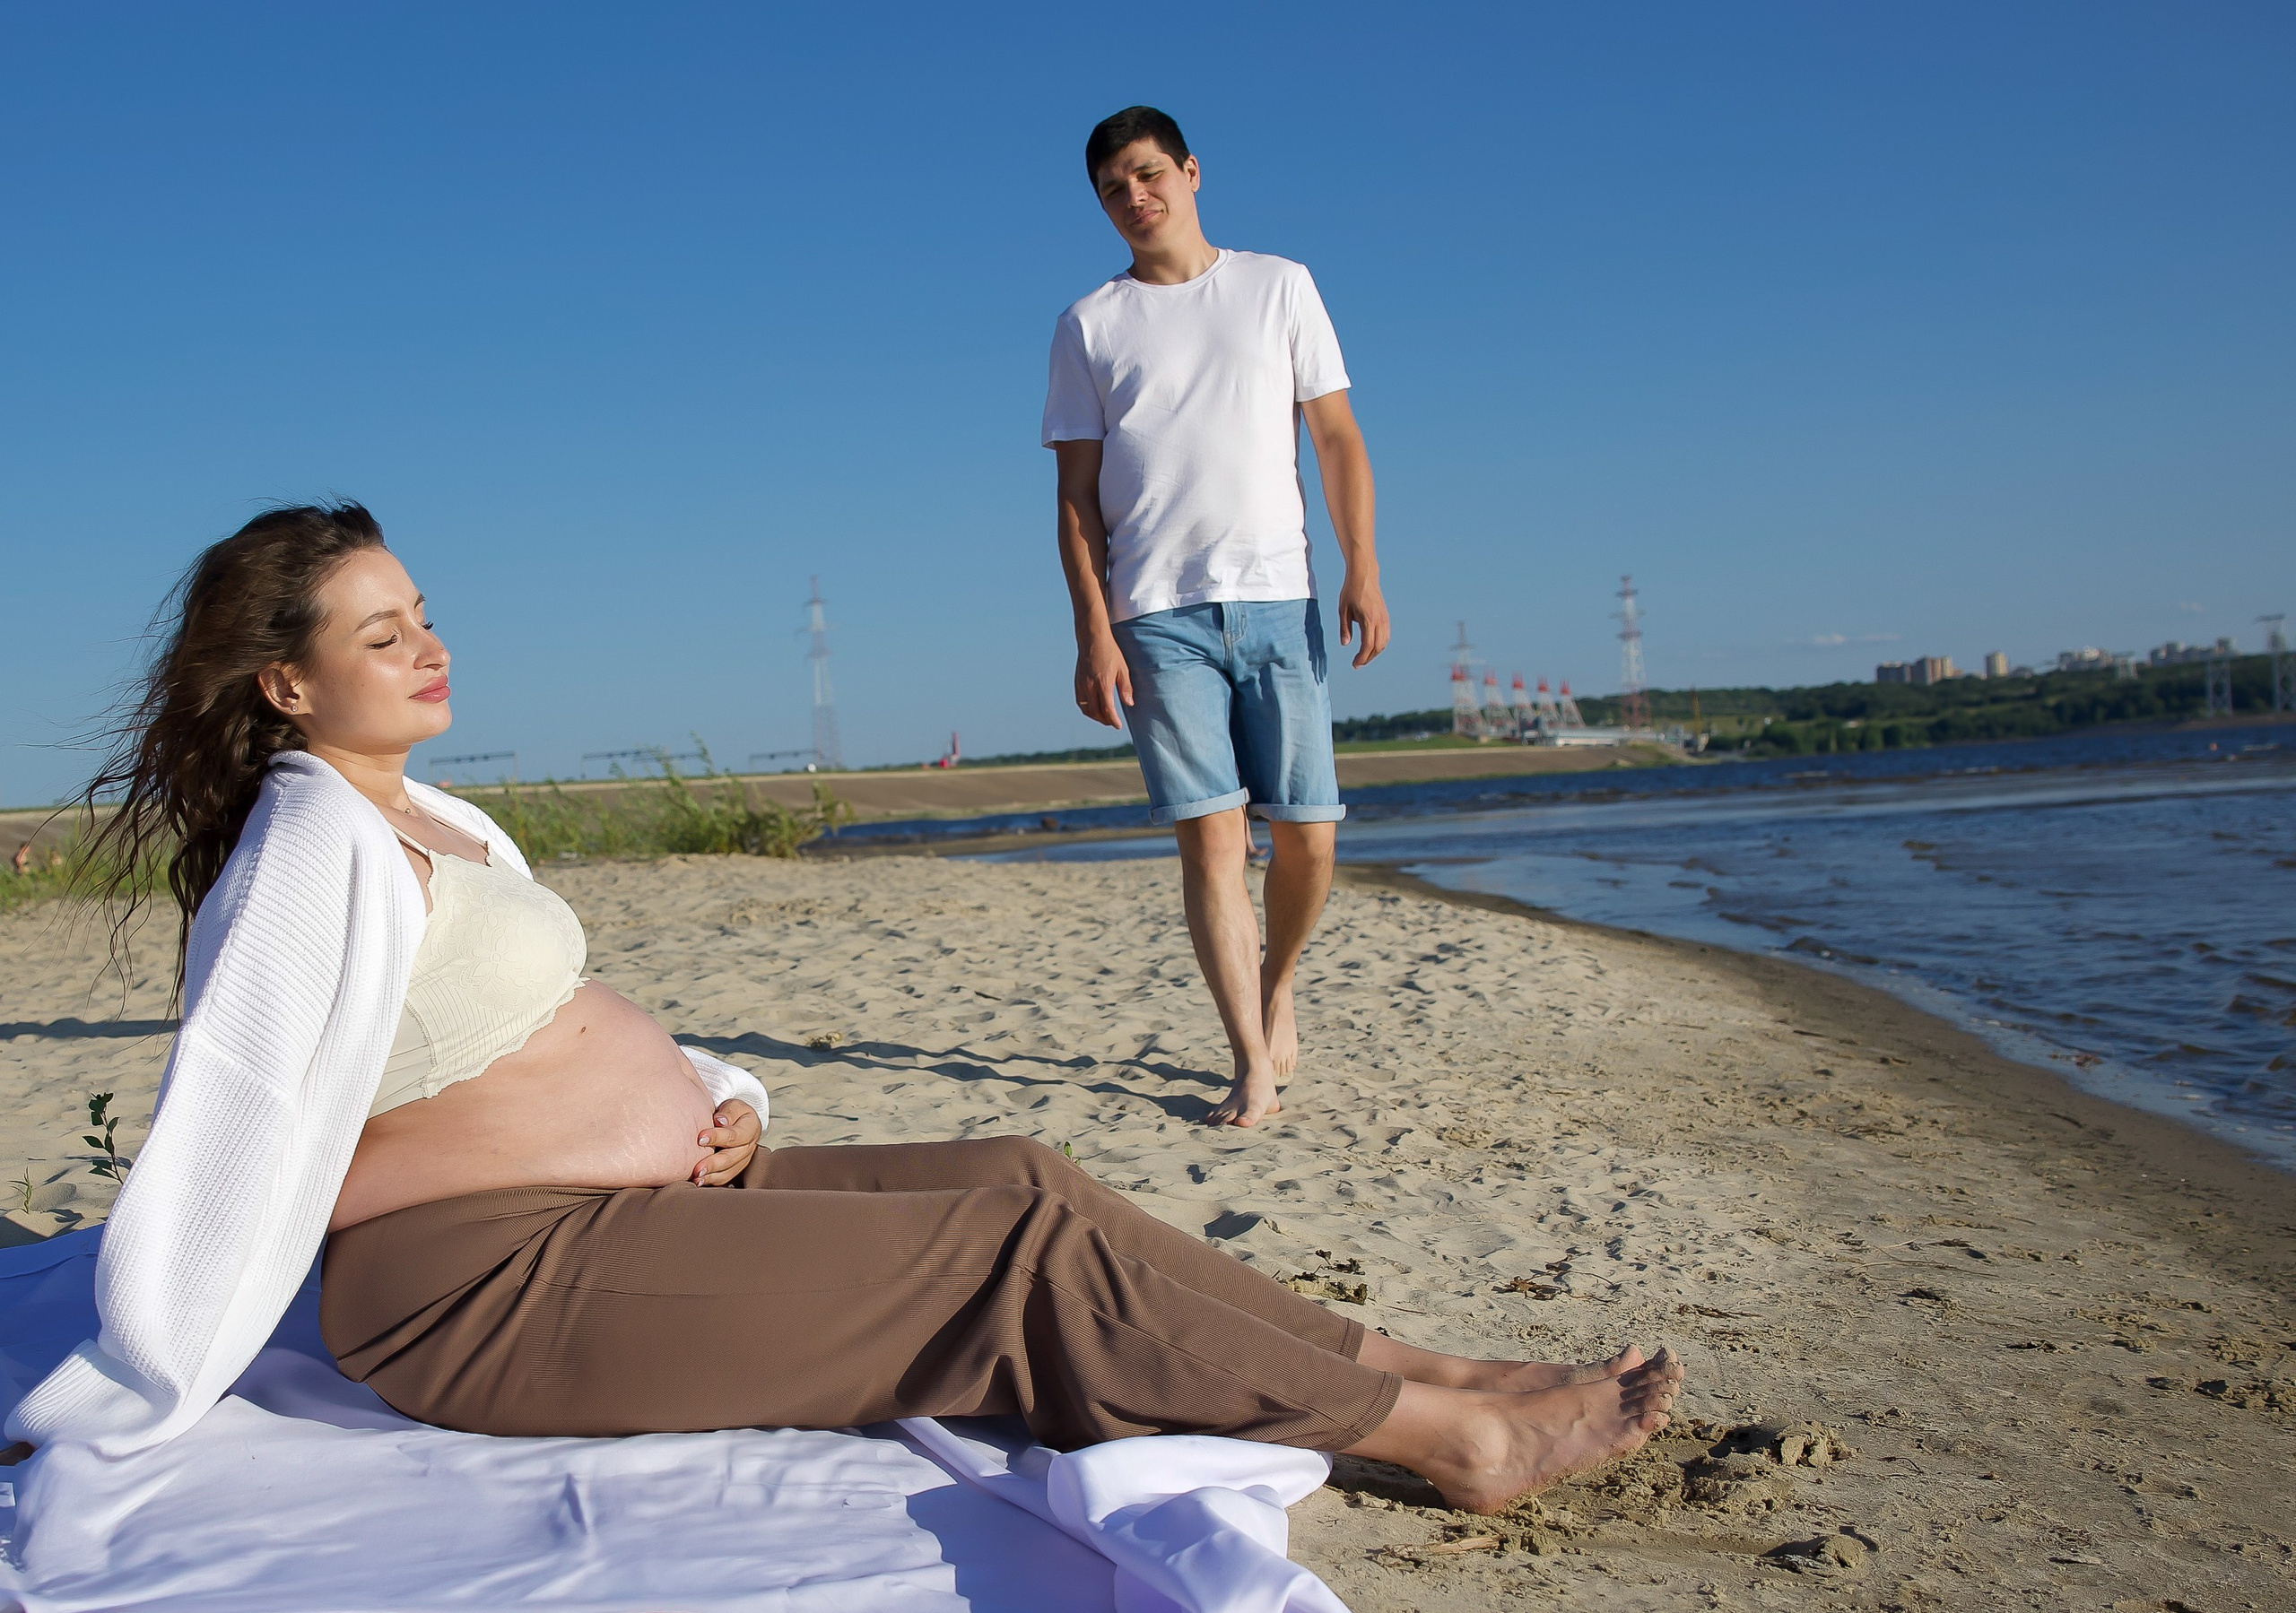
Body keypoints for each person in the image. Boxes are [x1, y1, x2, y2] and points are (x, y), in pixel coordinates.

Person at [6, 506, 1680, 1517]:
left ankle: (1423, 1356)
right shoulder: (307, 837)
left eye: (426, 611)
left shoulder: (424, 810)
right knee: (1006, 1266)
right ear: (286, 681)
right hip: (481, 1289)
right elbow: (236, 1105)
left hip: (619, 1206)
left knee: (1026, 1174)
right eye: (383, 633)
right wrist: (132, 1375)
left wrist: (705, 1093)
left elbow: (541, 1018)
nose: (430, 645)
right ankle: (1452, 1437)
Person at [1045, 106, 1385, 1128]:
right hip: (1155, 615)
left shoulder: (1278, 285)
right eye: (1113, 188)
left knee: (1309, 841)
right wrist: (1091, 628)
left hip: (1281, 594)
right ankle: (1249, 1058)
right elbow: (1075, 498)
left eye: (1148, 175)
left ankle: (1277, 984)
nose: (1134, 198)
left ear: (1191, 173)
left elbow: (1335, 439)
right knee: (1210, 843)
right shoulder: (1088, 324)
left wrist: (1362, 567)